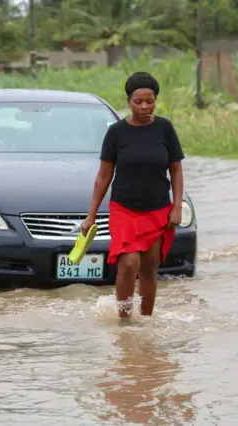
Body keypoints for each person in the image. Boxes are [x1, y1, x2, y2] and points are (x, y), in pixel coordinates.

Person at [82, 72, 185, 318]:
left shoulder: (165, 128)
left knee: (150, 269)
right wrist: (91, 215)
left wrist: (177, 206)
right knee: (128, 264)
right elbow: (104, 176)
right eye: (138, 101)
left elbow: (176, 169)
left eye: (150, 101)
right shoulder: (117, 133)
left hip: (158, 208)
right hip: (125, 208)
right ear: (128, 101)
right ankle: (124, 321)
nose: (144, 106)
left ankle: (146, 320)